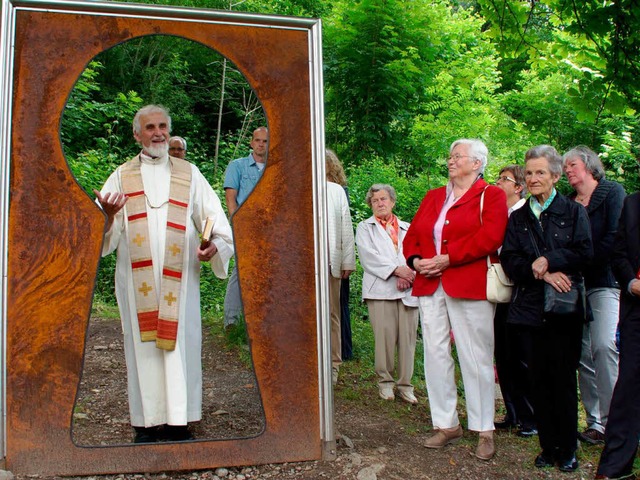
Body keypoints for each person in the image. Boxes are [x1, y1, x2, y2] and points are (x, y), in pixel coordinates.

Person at [94, 105, 234, 443]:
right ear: (136, 134)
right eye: (150, 127)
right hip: (136, 278)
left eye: (163, 127)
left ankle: (179, 422)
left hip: (180, 279)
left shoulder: (189, 173)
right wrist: (109, 216)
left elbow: (216, 222)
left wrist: (213, 245)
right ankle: (146, 422)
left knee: (179, 345)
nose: (158, 133)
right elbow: (98, 234)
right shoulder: (120, 175)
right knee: (142, 348)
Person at [403, 139, 508, 461]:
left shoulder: (491, 195)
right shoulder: (434, 196)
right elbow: (414, 236)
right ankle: (446, 423)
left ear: (477, 163)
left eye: (457, 156)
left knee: (475, 356)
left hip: (469, 283)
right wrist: (417, 260)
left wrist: (449, 258)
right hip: (429, 284)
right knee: (435, 354)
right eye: (450, 155)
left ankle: (483, 427)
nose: (451, 160)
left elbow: (491, 237)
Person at [500, 145, 593, 473]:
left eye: (541, 172)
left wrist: (550, 259)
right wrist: (543, 271)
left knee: (564, 380)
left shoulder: (572, 211)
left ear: (555, 176)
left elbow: (584, 251)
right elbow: (509, 260)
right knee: (537, 380)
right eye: (530, 172)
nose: (534, 178)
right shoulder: (519, 216)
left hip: (564, 311)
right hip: (530, 308)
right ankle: (548, 446)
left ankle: (567, 448)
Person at [563, 146, 625, 446]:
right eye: (565, 167)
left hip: (605, 281)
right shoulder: (568, 203)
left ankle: (617, 423)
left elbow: (615, 236)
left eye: (572, 164)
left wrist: (581, 260)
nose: (567, 170)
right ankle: (595, 423)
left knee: (604, 346)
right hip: (576, 286)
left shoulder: (612, 192)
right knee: (583, 353)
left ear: (588, 164)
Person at [356, 184, 419, 403]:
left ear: (392, 201)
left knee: (408, 339)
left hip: (408, 289)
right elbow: (368, 257)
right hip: (380, 291)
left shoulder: (408, 227)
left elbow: (416, 253)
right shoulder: (365, 228)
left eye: (383, 199)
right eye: (375, 201)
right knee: (384, 339)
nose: (380, 203)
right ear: (370, 205)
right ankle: (385, 383)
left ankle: (405, 385)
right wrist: (395, 271)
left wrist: (407, 274)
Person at [595, 191, 640, 480]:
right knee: (629, 386)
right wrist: (631, 281)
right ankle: (614, 469)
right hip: (637, 307)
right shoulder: (633, 203)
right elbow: (619, 252)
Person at [493, 165, 537, 437]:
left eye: (504, 179)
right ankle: (513, 412)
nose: (498, 182)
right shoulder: (499, 212)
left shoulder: (525, 214)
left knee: (523, 355)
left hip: (523, 291)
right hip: (500, 289)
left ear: (518, 186)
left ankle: (530, 417)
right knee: (504, 353)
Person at [222, 127, 268, 327]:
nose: (261, 144)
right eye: (257, 140)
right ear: (251, 142)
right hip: (247, 228)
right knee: (240, 272)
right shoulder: (238, 166)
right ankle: (231, 321)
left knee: (267, 274)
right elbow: (231, 198)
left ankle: (259, 321)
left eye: (265, 141)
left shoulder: (274, 168)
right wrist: (236, 223)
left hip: (271, 230)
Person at [326, 149, 356, 385]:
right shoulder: (300, 188)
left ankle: (334, 364)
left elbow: (346, 227)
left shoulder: (336, 191)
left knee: (333, 313)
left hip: (330, 262)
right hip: (305, 263)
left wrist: (348, 260)